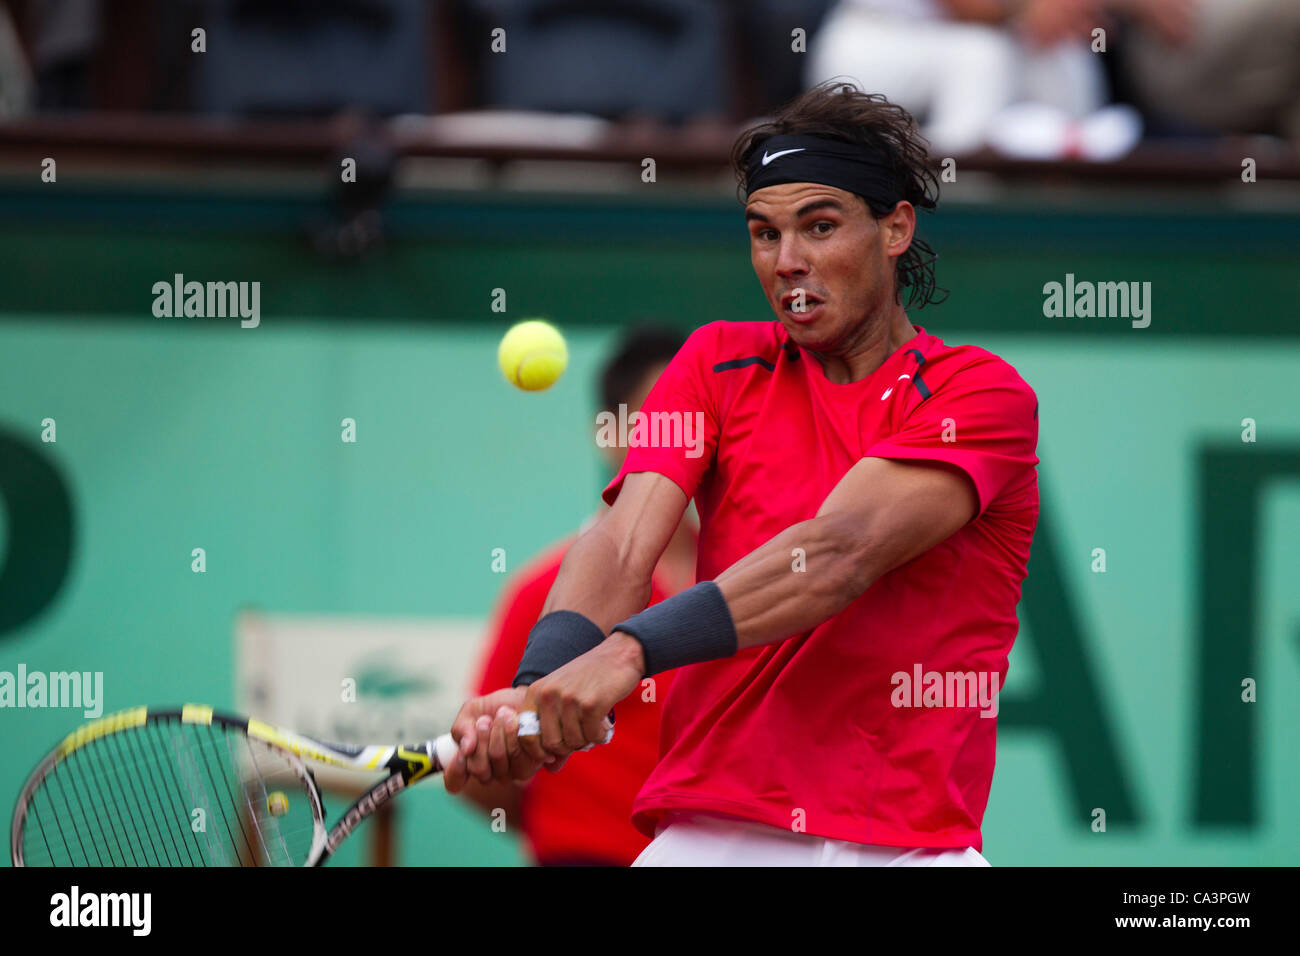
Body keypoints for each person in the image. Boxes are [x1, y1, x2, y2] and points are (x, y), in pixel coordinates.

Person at [445, 81, 1039, 867]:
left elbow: (836, 554)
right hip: (710, 837)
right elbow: (624, 544)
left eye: (819, 227)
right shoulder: (717, 364)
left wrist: (622, 657)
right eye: (764, 233)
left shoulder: (979, 394)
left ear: (895, 228)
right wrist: (541, 685)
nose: (788, 262)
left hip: (906, 846)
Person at [458, 326, 698, 866]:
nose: (682, 435)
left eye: (697, 417)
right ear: (611, 432)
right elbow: (481, 772)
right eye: (657, 417)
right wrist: (568, 832)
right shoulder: (538, 592)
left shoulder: (756, 578)